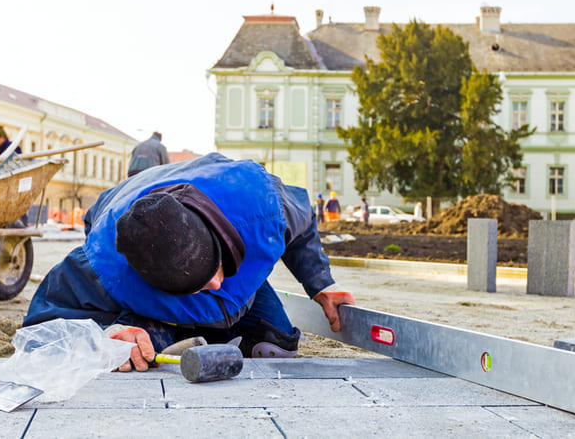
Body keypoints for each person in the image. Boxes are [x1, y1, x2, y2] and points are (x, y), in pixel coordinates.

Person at [23, 153, 355, 372]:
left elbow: (302, 224)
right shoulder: (103, 264)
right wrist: (105, 334)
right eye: (196, 285)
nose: (215, 286)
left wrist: (321, 283)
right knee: (142, 350)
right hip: (135, 269)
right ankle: (156, 322)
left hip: (229, 221)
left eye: (214, 269)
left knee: (279, 344)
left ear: (221, 239)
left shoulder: (261, 204)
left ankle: (207, 327)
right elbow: (39, 329)